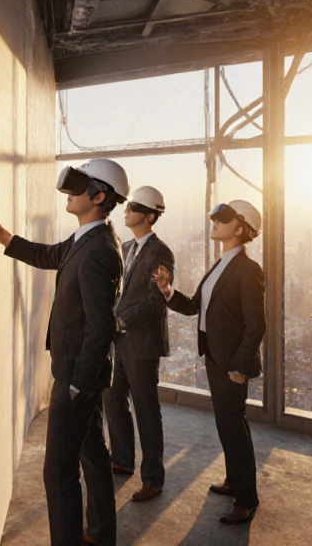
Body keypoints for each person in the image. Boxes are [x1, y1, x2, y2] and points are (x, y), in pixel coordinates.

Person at [0, 158, 128, 546]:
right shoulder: (87, 238)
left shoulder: (100, 249)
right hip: (82, 373)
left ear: (99, 197)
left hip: (77, 378)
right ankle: (101, 535)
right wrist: (7, 240)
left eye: (78, 186)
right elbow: (51, 255)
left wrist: (77, 386)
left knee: (59, 473)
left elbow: (101, 329)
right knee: (93, 454)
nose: (69, 192)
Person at [153, 199, 266, 525]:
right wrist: (167, 291)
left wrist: (239, 368)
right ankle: (234, 482)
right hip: (216, 358)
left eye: (224, 218)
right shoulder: (220, 265)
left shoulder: (248, 270)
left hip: (231, 364)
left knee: (235, 429)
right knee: (226, 426)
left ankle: (246, 500)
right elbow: (192, 306)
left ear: (241, 229)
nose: (215, 222)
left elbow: (256, 324)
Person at [104, 186, 175, 502]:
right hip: (120, 340)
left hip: (142, 343)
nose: (126, 209)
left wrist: (121, 320)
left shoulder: (161, 253)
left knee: (147, 409)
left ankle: (153, 479)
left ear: (149, 215)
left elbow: (156, 299)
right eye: (128, 205)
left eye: (133, 207)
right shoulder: (127, 247)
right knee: (112, 396)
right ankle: (121, 458)